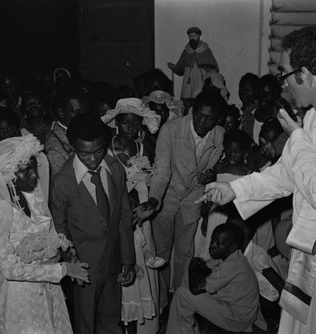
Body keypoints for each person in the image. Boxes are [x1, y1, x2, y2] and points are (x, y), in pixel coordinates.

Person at [197, 26, 316, 334]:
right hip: (310, 253)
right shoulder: (315, 116)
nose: (283, 87)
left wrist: (297, 138)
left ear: (306, 74)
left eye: (285, 75)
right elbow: (288, 173)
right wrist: (233, 189)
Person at [0, 134, 89, 333]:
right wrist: (62, 270)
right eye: (26, 171)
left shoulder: (32, 195)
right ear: (7, 173)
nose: (35, 176)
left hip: (50, 288)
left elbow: (50, 234)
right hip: (22, 297)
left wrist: (66, 253)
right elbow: (9, 269)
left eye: (34, 168)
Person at [135, 91, 226, 316]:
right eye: (199, 116)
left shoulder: (220, 135)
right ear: (192, 112)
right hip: (166, 198)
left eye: (209, 119)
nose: (202, 123)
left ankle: (180, 299)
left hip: (192, 200)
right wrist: (154, 200)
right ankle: (161, 300)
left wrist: (209, 175)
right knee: (161, 253)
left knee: (185, 253)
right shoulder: (171, 129)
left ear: (218, 120)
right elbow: (162, 171)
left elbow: (212, 167)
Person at [50, 114, 136, 334]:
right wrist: (72, 259)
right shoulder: (62, 183)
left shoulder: (115, 169)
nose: (92, 159)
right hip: (84, 268)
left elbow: (125, 217)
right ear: (73, 147)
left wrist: (128, 260)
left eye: (98, 151)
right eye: (84, 154)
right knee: (85, 322)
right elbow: (59, 227)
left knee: (111, 320)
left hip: (113, 261)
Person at [102, 98, 163, 334]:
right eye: (126, 123)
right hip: (121, 217)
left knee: (144, 260)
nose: (131, 128)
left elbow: (152, 178)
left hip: (142, 216)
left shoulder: (142, 147)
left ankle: (143, 325)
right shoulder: (107, 150)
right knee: (126, 260)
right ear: (117, 123)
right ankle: (124, 322)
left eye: (136, 123)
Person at [166, 223, 260, 334]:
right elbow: (203, 266)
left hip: (238, 319)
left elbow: (195, 289)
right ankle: (186, 327)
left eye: (218, 243)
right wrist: (196, 269)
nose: (212, 246)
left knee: (182, 294)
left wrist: (193, 269)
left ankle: (180, 329)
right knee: (188, 279)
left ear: (233, 247)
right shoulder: (230, 256)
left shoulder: (232, 265)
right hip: (233, 307)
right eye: (212, 240)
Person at [195, 130, 254, 260]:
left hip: (235, 217)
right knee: (209, 249)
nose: (231, 155)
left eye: (236, 152)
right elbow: (210, 195)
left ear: (244, 152)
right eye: (228, 151)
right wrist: (205, 217)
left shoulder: (248, 172)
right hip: (216, 213)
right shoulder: (219, 168)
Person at [167, 27, 219, 109]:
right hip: (188, 84)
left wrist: (206, 68)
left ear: (198, 37)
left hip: (201, 81)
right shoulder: (186, 51)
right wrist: (174, 67)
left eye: (194, 36)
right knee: (187, 104)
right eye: (190, 36)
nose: (192, 38)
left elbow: (214, 68)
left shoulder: (206, 50)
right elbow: (180, 69)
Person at [45, 91, 88, 175]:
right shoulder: (55, 150)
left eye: (84, 111)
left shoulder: (81, 127)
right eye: (77, 112)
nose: (83, 116)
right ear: (61, 112)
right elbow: (61, 185)